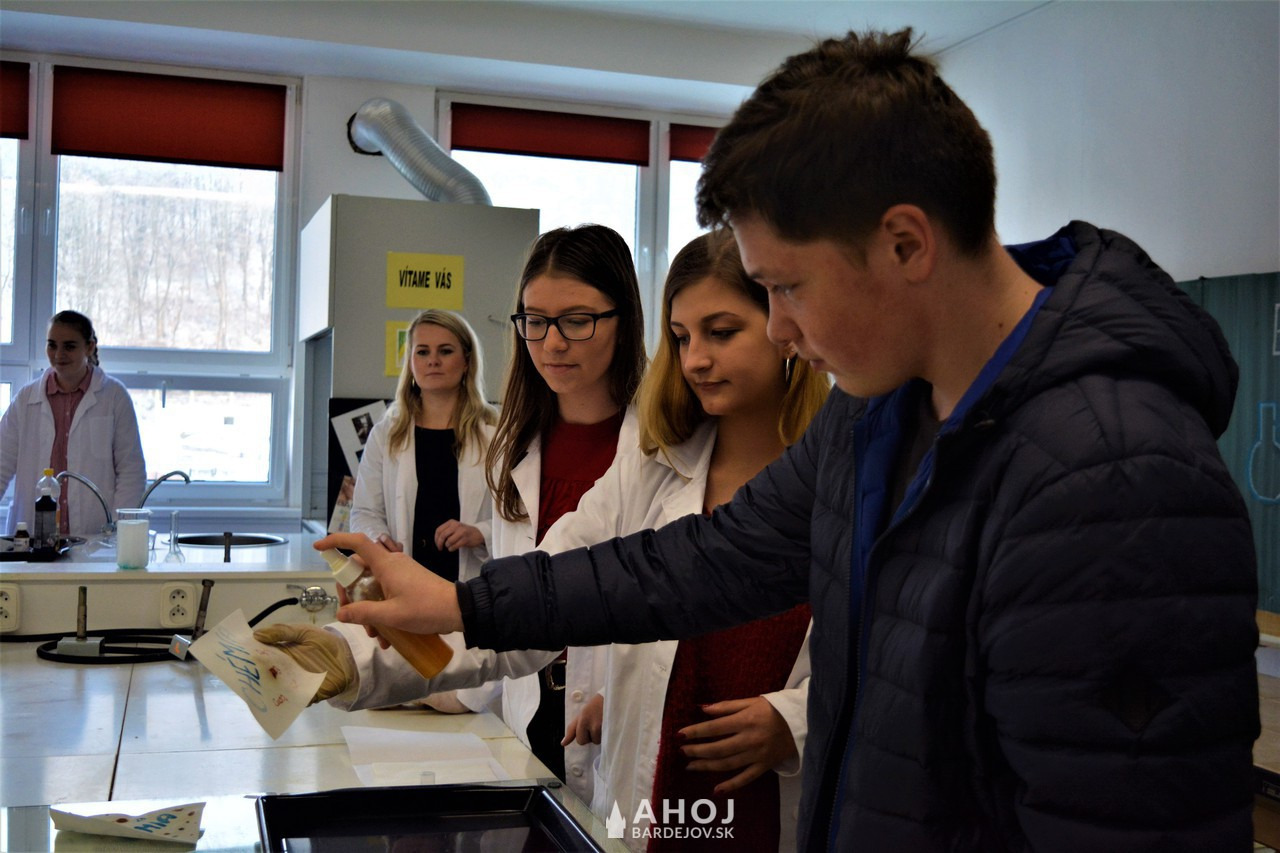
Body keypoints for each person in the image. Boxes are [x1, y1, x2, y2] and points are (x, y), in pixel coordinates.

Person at [322, 28, 1260, 851]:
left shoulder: (1114, 472)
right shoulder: (876, 414)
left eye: (786, 287)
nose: (777, 329)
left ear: (905, 244)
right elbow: (690, 563)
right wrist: (463, 604)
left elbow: (1125, 821)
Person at [260, 223, 648, 806]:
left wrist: (622, 696)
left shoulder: (654, 452)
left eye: (576, 320)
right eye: (535, 321)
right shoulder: (517, 446)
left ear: (627, 320)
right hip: (526, 707)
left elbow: (633, 600)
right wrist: (351, 658)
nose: (552, 343)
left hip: (618, 722)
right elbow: (517, 615)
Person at [548, 230, 828, 850]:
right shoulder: (652, 466)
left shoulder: (844, 479)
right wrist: (628, 694)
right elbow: (556, 572)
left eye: (721, 332)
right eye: (680, 337)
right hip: (657, 807)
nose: (695, 359)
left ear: (785, 327)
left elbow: (888, 658)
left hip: (766, 810)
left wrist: (795, 722)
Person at [348, 308, 496, 582]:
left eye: (446, 351)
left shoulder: (496, 434)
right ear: (411, 363)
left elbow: (522, 517)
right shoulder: (387, 434)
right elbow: (365, 513)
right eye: (423, 352)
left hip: (474, 587)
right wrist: (378, 538)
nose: (433, 361)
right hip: (406, 583)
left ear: (467, 361)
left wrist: (480, 533)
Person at [0, 310, 145, 537]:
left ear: (89, 347)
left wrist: (118, 530)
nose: (59, 354)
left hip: (95, 536)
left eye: (69, 346)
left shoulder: (114, 396)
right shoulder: (26, 399)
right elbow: (1, 464)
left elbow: (131, 472)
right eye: (52, 345)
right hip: (31, 536)